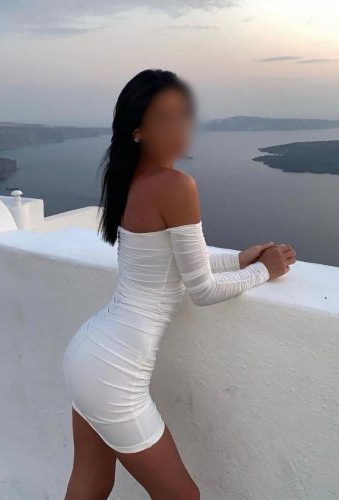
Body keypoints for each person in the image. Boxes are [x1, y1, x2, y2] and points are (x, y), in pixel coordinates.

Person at [62, 69, 296, 500]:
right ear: (137, 130)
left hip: (88, 355)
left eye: (184, 114)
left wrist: (238, 259)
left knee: (92, 483)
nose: (181, 127)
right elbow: (201, 290)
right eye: (165, 118)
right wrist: (264, 271)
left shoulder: (131, 181)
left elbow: (166, 265)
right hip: (114, 374)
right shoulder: (175, 185)